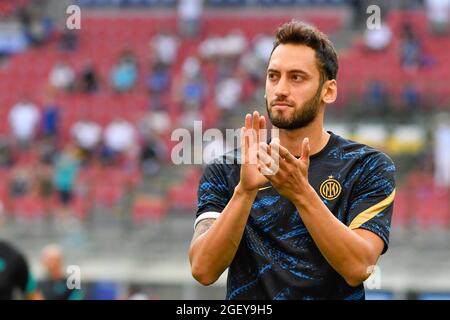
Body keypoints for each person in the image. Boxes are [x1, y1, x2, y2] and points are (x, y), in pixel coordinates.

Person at [189, 21, 396, 300]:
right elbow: (203, 270)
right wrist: (244, 191)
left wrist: (301, 193)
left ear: (328, 90)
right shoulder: (226, 170)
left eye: (297, 77)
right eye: (274, 76)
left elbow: (359, 267)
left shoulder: (367, 167)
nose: (281, 89)